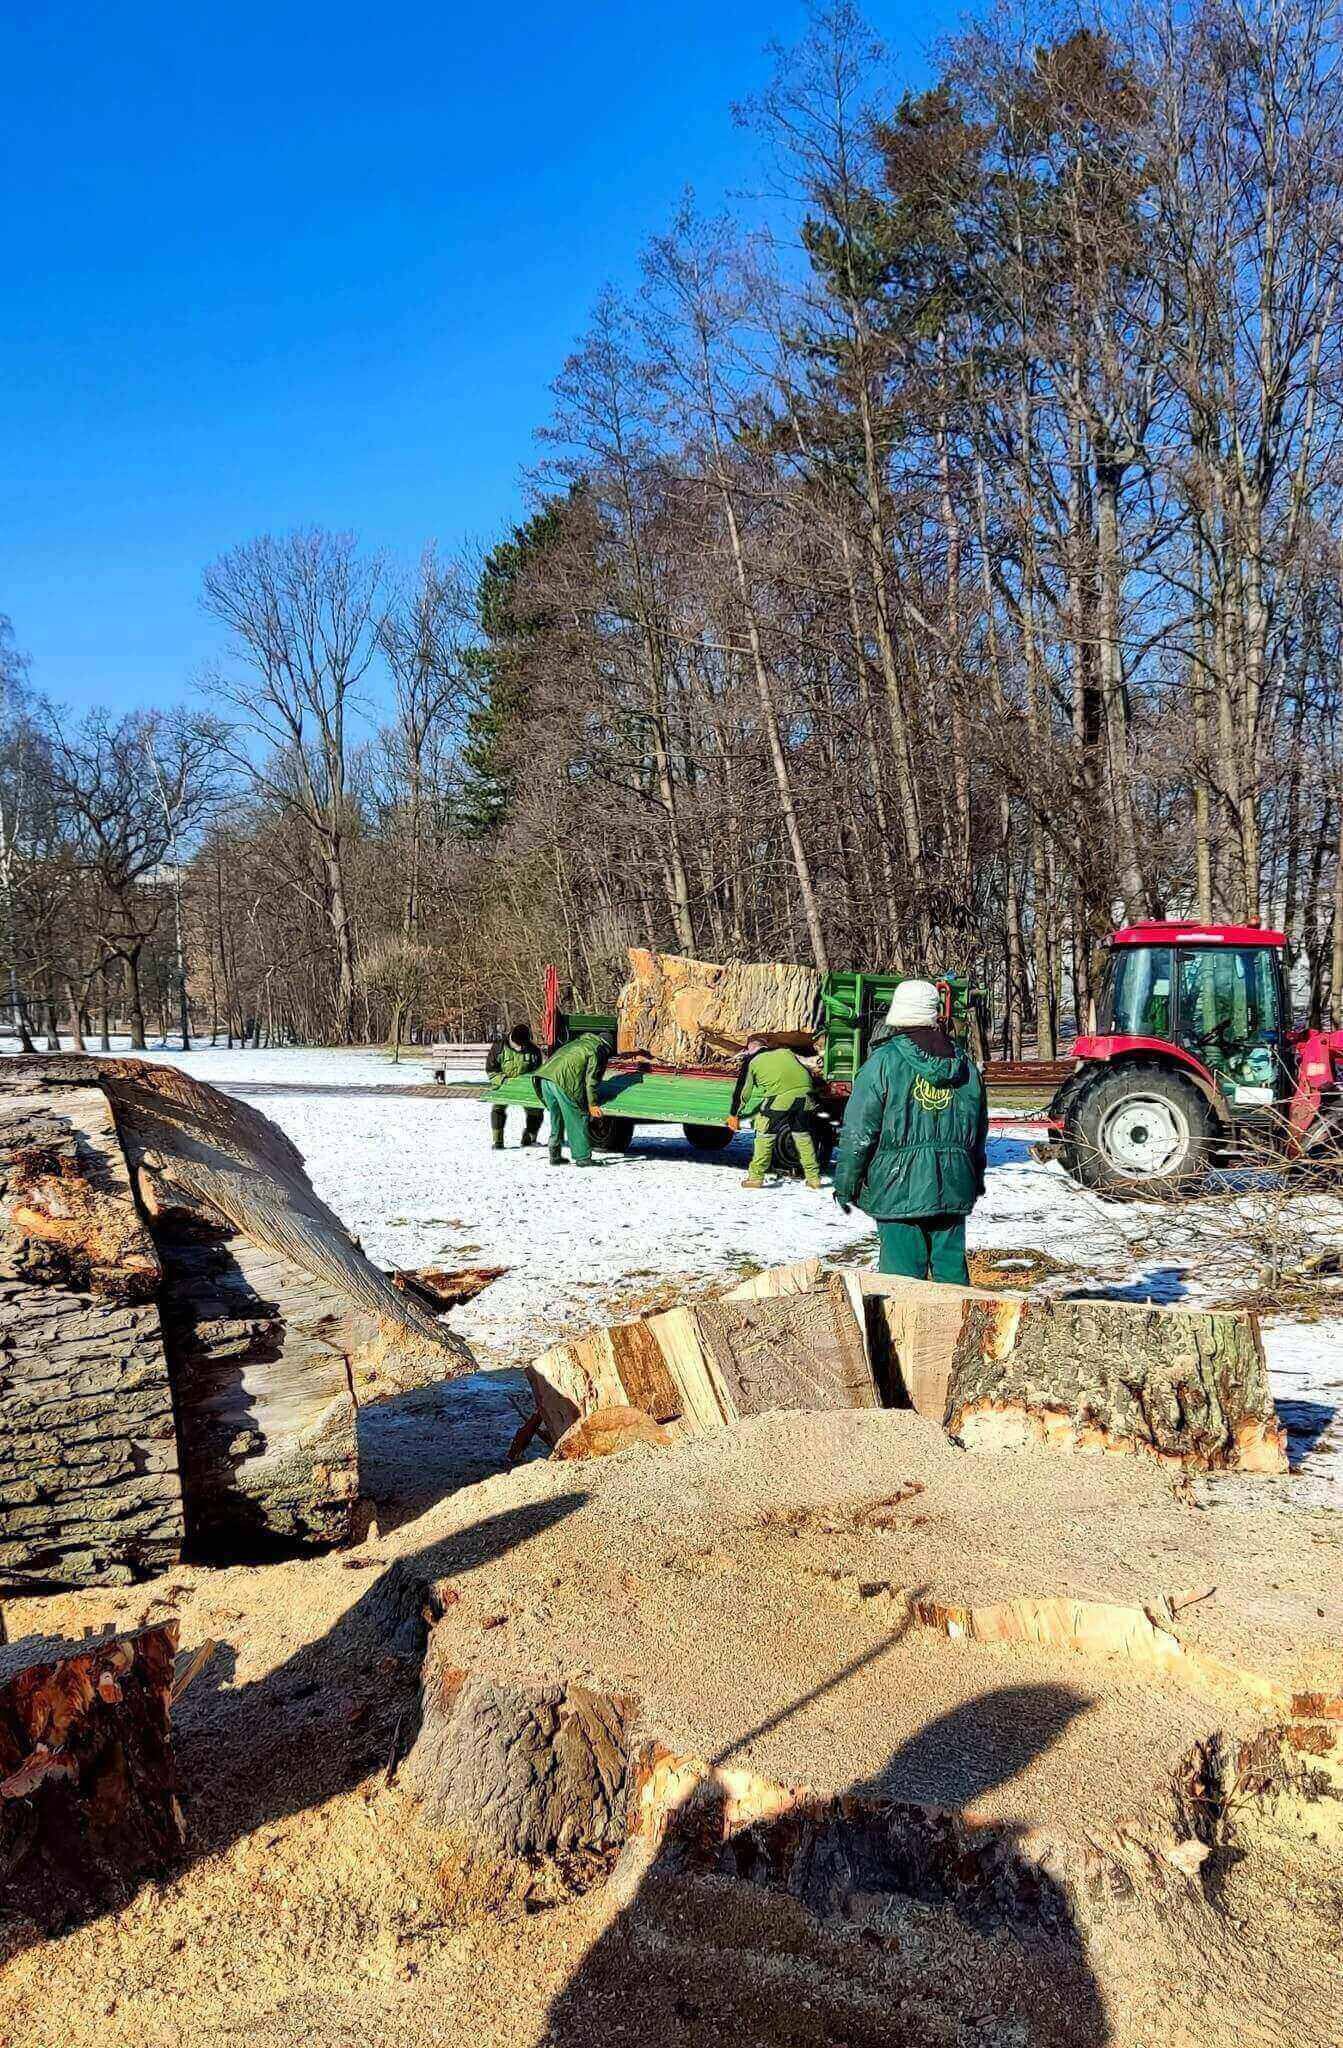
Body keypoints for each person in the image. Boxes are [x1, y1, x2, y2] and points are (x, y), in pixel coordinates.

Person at [831, 978, 987, 1282]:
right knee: (953, 1282)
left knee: (901, 1285)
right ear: (933, 1013)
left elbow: (858, 1133)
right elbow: (978, 1134)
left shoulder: (882, 1063)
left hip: (896, 1187)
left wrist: (846, 1183)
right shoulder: (965, 1065)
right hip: (954, 1182)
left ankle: (906, 1331)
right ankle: (958, 1329)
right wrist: (974, 1179)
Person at [728, 1035, 823, 1191]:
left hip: (781, 1098)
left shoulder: (752, 1061)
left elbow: (743, 1091)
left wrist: (734, 1114)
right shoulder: (785, 1052)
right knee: (802, 1137)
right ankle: (813, 1179)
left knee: (764, 1134)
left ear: (751, 1047)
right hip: (806, 1097)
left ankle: (755, 1178)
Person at [533, 1031, 610, 1167]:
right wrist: (592, 1104)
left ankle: (554, 1154)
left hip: (544, 1078)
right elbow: (591, 1081)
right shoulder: (597, 1049)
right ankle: (583, 1158)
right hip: (562, 1082)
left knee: (556, 1117)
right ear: (607, 1045)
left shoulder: (578, 1042)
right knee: (578, 1117)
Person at [485, 1023, 544, 1151]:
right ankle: (498, 1140)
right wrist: (503, 1081)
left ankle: (529, 1137)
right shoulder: (498, 1048)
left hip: (525, 1086)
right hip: (503, 1084)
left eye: (524, 1045)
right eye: (519, 1045)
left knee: (537, 1110)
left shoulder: (534, 1050)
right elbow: (491, 1070)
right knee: (497, 1108)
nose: (522, 1047)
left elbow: (538, 1072)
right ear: (512, 1039)